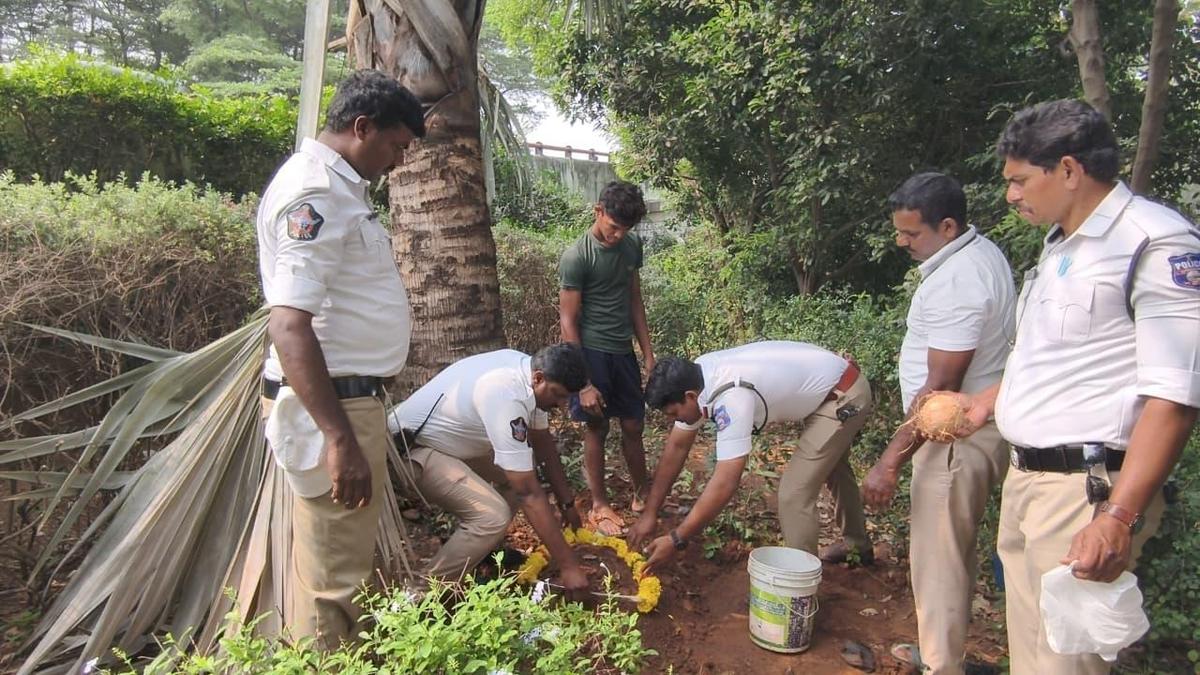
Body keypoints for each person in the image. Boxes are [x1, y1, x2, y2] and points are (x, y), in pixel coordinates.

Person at [950, 99, 1200, 674]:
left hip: (1085, 490)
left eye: (1019, 180)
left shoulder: (1155, 244)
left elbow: (1176, 397)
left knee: (1066, 664)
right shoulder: (1062, 243)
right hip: (1029, 482)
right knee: (1032, 655)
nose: (1010, 195)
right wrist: (989, 401)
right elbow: (1055, 358)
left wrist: (1117, 516)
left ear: (1068, 170)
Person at [256, 69, 425, 649]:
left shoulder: (339, 188)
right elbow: (288, 322)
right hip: (336, 405)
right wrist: (338, 438)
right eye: (397, 146)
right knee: (336, 585)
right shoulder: (316, 194)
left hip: (348, 400)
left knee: (335, 568)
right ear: (362, 127)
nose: (399, 162)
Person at [859, 172, 1015, 674]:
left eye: (912, 234)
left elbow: (941, 389)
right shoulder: (979, 254)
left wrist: (890, 459)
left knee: (939, 559)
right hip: (972, 432)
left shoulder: (956, 280)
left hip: (952, 439)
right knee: (954, 550)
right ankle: (939, 652)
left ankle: (940, 666)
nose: (902, 242)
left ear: (947, 226)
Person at [627, 341, 873, 571]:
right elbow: (677, 448)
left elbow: (725, 482)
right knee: (833, 467)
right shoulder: (699, 375)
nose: (675, 421)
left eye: (674, 414)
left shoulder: (731, 397)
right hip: (831, 387)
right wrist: (650, 512)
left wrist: (677, 538)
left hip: (843, 395)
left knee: (793, 494)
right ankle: (857, 546)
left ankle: (801, 592)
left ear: (690, 397)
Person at [387, 344, 591, 598]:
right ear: (538, 378)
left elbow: (543, 443)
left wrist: (567, 503)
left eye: (566, 398)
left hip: (445, 444)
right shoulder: (507, 395)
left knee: (522, 475)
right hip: (406, 451)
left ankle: (477, 556)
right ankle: (419, 594)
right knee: (492, 517)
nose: (561, 405)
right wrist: (569, 565)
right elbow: (528, 493)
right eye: (558, 396)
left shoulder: (529, 372)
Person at [558, 180, 654, 536]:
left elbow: (635, 301)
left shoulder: (631, 246)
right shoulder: (577, 256)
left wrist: (647, 353)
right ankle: (599, 505)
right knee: (597, 426)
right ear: (598, 211)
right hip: (592, 353)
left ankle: (643, 492)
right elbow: (568, 320)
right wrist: (582, 382)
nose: (618, 236)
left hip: (622, 351)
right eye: (614, 227)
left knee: (633, 425)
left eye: (625, 229)